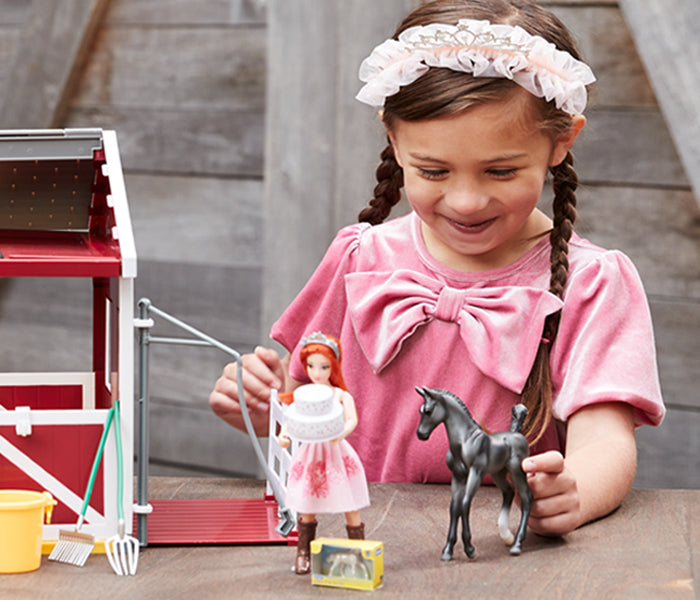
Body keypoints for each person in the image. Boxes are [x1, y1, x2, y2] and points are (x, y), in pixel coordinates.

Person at [210, 0, 665, 538]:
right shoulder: (360, 260)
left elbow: (606, 440)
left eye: (500, 170)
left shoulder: (593, 285)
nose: (466, 200)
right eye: (433, 170)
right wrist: (266, 408)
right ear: (394, 139)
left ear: (561, 141)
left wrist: (576, 491)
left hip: (501, 560)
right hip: (358, 546)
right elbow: (310, 404)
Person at [277, 332, 369, 574]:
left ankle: (358, 551)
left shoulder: (340, 395)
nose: (316, 373)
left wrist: (341, 432)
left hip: (336, 450)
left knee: (349, 501)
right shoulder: (306, 394)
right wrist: (284, 435)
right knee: (308, 500)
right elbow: (292, 416)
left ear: (333, 367)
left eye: (323, 367)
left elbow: (352, 420)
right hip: (311, 453)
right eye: (311, 366)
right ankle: (303, 552)